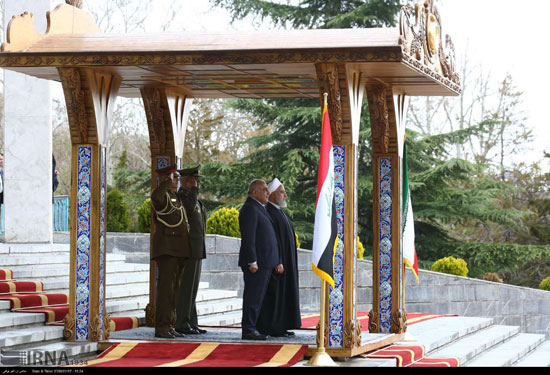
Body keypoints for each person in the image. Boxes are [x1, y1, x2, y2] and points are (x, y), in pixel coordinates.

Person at [256, 178, 301, 337]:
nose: (285, 195)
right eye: (282, 192)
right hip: (278, 263)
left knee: (284, 294)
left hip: (286, 262)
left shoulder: (278, 212)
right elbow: (271, 240)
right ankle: (273, 327)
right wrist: (278, 260)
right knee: (275, 296)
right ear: (273, 194)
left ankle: (282, 326)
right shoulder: (269, 212)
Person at [150, 165, 191, 339]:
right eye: (174, 178)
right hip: (167, 249)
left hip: (178, 249)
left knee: (174, 291)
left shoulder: (174, 196)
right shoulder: (162, 195)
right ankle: (162, 327)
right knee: (166, 291)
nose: (177, 181)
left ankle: (170, 324)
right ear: (166, 179)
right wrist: (166, 183)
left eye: (177, 178)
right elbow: (156, 197)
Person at [238, 179, 279, 340]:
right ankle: (248, 329)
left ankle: (254, 326)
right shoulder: (250, 209)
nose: (268, 192)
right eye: (264, 190)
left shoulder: (258, 208)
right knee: (253, 297)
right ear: (254, 192)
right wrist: (252, 261)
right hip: (257, 263)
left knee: (258, 297)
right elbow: (249, 238)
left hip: (265, 262)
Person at [175, 165, 208, 335]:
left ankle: (191, 322)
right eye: (195, 180)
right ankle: (181, 323)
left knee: (192, 289)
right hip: (187, 250)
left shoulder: (194, 199)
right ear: (187, 181)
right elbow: (188, 210)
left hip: (196, 250)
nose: (197, 184)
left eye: (197, 180)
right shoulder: (182, 197)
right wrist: (193, 191)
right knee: (186, 289)